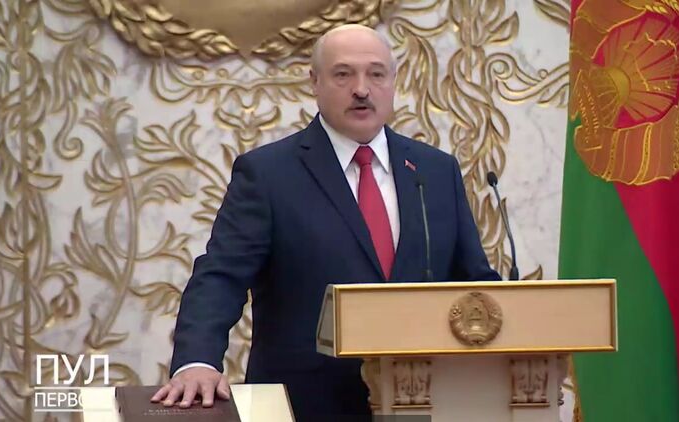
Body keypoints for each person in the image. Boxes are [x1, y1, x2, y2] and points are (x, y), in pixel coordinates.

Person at [151, 24, 501, 421]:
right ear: (315, 82)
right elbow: (221, 276)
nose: (361, 89)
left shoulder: (435, 171)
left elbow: (475, 282)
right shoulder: (269, 174)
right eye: (343, 74)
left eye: (376, 74)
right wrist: (197, 361)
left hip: (427, 401)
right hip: (305, 405)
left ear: (393, 80)